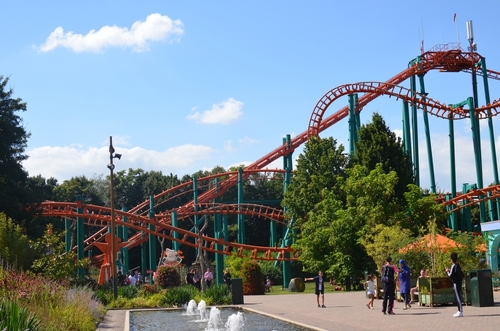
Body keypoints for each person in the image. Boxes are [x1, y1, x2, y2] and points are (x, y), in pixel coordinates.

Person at [446, 252, 464, 317]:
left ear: (451, 259)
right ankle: (459, 310)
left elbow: (451, 275)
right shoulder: (458, 266)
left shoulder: (454, 266)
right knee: (457, 296)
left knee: (458, 297)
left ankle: (460, 311)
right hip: (458, 282)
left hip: (456, 283)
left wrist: (447, 271)